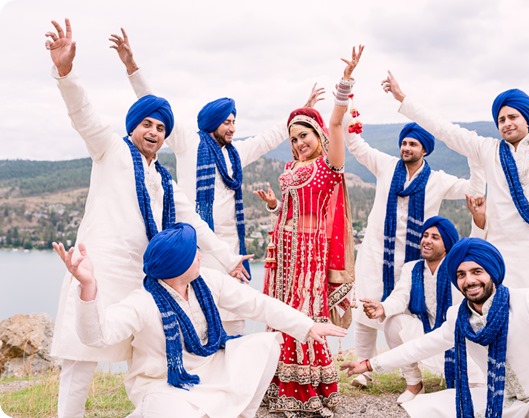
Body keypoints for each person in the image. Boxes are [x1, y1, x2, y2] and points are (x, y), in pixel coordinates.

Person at [44, 19, 248, 418]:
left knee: (142, 358)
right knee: (80, 361)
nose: (154, 131)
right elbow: (82, 113)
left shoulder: (164, 181)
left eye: (160, 127)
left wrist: (227, 257)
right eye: (147, 124)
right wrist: (66, 72)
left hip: (140, 278)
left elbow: (195, 225)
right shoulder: (110, 150)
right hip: (98, 272)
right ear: (133, 127)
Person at [382, 71, 529, 393]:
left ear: (528, 119)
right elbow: (445, 131)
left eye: (512, 116)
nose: (506, 123)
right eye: (501, 119)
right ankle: (512, 399)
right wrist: (404, 100)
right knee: (509, 334)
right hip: (505, 262)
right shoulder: (487, 150)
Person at [109, 28, 325, 335]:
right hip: (195, 243)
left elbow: (268, 138)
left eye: (235, 121)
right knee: (198, 308)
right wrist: (132, 66)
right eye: (227, 121)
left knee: (234, 308)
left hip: (229, 244)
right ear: (213, 122)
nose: (233, 127)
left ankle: (231, 368)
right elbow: (152, 101)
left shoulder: (235, 155)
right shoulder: (189, 144)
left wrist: (302, 113)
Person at [53, 223, 348, 418]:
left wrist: (307, 325)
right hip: (163, 384)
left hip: (209, 367)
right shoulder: (142, 302)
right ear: (177, 265)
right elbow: (97, 336)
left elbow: (256, 304)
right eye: (194, 253)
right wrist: (88, 287)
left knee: (267, 345)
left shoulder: (207, 280)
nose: (199, 256)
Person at [341, 234, 529, 418]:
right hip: (503, 401)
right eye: (461, 274)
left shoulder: (526, 302)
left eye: (477, 272)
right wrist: (369, 364)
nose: (469, 281)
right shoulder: (460, 317)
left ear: (491, 273)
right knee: (425, 408)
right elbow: (419, 347)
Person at [253, 45, 363, 417]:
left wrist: (344, 83)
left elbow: (333, 124)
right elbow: (291, 209)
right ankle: (278, 385)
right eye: (294, 137)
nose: (300, 143)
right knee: (279, 313)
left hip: (308, 255)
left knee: (302, 315)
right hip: (282, 254)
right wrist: (274, 206)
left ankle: (304, 390)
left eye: (305, 136)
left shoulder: (329, 165)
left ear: (318, 135)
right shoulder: (292, 165)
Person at [345, 117, 485, 388]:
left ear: (425, 150)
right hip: (377, 254)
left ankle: (409, 370)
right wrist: (350, 122)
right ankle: (364, 370)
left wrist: (474, 157)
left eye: (413, 144)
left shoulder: (437, 180)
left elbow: (474, 189)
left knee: (404, 315)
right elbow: (358, 147)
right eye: (404, 143)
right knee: (365, 310)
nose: (406, 148)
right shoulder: (386, 166)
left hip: (415, 262)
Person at [360, 216, 484, 404]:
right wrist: (383, 307)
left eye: (435, 237)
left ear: (447, 245)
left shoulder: (457, 270)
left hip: (458, 336)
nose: (427, 240)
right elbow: (400, 298)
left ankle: (465, 379)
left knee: (474, 396)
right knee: (393, 322)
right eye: (425, 235)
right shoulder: (412, 269)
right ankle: (414, 384)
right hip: (426, 331)